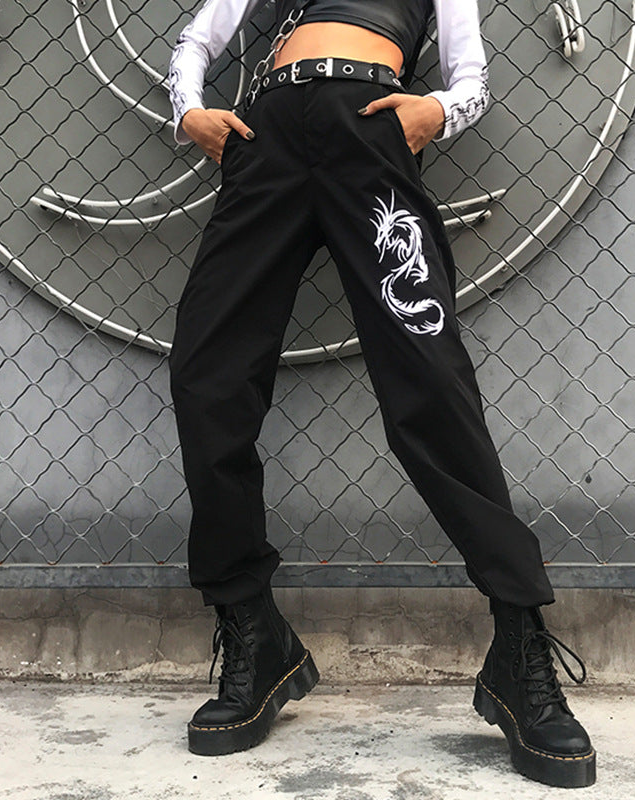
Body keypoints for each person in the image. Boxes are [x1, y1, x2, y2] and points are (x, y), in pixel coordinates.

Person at [166, 0, 595, 788]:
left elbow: (471, 77)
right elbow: (202, 34)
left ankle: (519, 647)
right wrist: (189, 110)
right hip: (267, 139)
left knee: (430, 383)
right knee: (207, 378)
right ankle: (254, 633)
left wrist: (436, 112)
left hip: (369, 134)